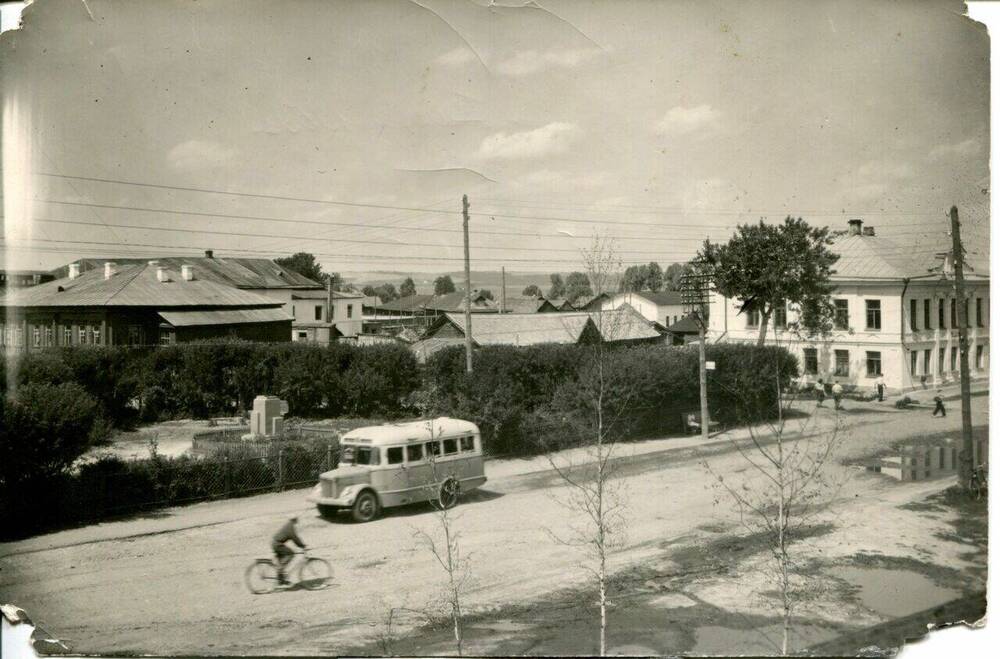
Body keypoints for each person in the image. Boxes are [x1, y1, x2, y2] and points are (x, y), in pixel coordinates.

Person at [272, 516, 306, 584]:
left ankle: (281, 581)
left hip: (275, 543)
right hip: (277, 544)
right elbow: (294, 537)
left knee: (281, 560)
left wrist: (300, 545)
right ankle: (280, 571)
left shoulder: (288, 525)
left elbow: (294, 537)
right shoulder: (290, 527)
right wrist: (302, 545)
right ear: (295, 519)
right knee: (290, 554)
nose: (298, 520)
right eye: (297, 519)